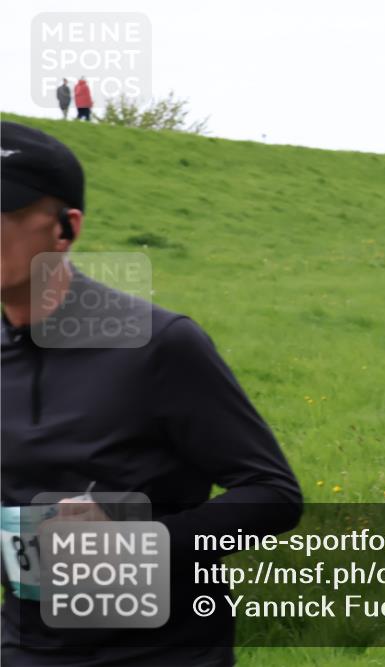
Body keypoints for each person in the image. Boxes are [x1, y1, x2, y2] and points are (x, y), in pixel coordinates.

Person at [1, 121, 303, 666]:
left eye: (5, 211)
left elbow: (273, 495)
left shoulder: (159, 344)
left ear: (66, 229)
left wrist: (136, 541)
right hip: (28, 648)